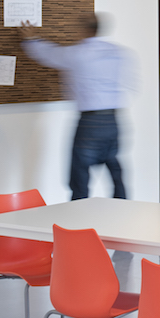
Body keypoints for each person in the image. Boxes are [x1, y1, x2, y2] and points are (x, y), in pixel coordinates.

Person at [20, 13, 135, 200]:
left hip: (90, 122)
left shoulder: (78, 53)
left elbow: (49, 54)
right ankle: (123, 213)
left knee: (79, 176)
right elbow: (131, 84)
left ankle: (77, 220)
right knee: (115, 172)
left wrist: (31, 39)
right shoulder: (119, 53)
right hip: (113, 120)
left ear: (85, 30)